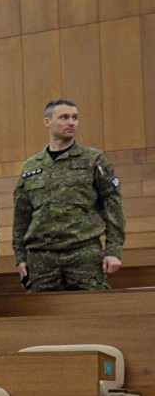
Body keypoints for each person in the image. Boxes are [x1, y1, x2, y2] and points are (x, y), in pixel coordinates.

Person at [12, 98, 125, 291]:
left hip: (83, 252)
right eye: (64, 117)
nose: (71, 122)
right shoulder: (32, 166)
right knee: (41, 308)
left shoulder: (93, 159)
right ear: (47, 122)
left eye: (75, 118)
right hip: (42, 257)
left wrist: (113, 250)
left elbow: (113, 204)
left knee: (92, 307)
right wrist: (20, 256)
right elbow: (22, 214)